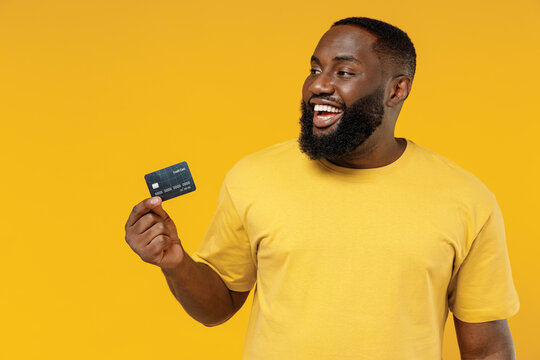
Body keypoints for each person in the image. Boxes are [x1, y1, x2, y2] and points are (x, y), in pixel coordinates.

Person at [124, 17, 520, 359]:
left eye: (343, 72)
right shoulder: (253, 177)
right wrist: (175, 263)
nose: (319, 86)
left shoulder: (466, 198)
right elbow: (217, 307)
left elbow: (486, 349)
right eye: (315, 70)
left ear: (397, 90)